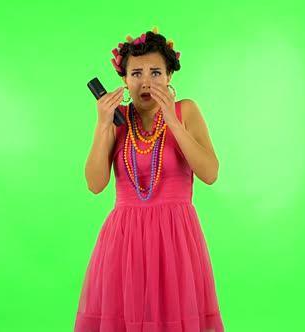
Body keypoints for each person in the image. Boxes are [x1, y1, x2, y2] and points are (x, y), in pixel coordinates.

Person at [75, 27, 225, 332]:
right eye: (137, 73)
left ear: (169, 76)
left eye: (156, 72)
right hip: (125, 240)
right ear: (124, 80)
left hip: (176, 237)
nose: (146, 82)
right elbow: (95, 183)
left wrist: (173, 122)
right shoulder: (117, 119)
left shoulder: (186, 111)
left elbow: (210, 173)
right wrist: (102, 125)